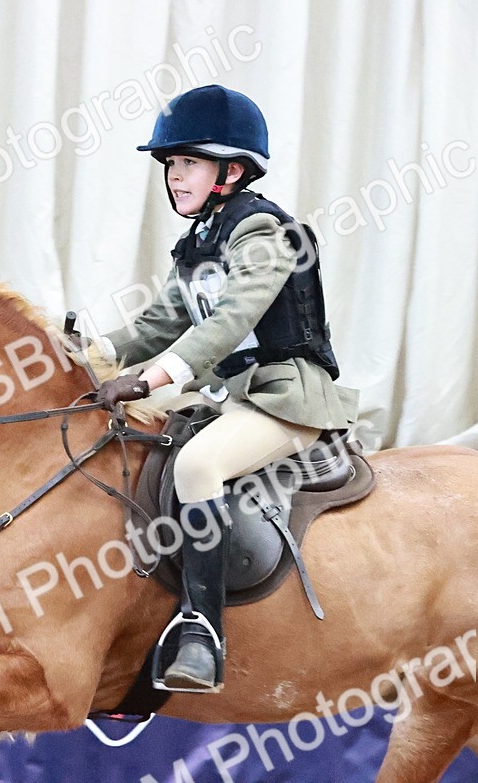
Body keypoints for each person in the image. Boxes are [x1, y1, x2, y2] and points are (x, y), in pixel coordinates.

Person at [93, 84, 359, 692]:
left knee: (197, 467)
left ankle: (202, 636)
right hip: (234, 396)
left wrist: (153, 377)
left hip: (285, 396)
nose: (174, 176)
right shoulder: (199, 240)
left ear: (231, 170)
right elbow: (164, 320)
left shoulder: (262, 231)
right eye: (171, 165)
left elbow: (231, 319)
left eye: (188, 162)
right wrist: (92, 353)